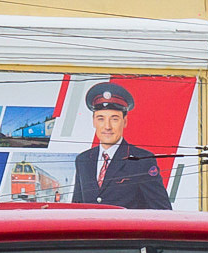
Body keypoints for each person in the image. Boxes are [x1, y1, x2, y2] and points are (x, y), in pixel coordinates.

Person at [70, 82, 173, 210]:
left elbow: (161, 211)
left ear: (124, 122)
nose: (107, 126)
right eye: (101, 119)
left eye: (114, 119)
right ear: (94, 121)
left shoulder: (142, 160)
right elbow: (76, 210)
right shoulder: (83, 160)